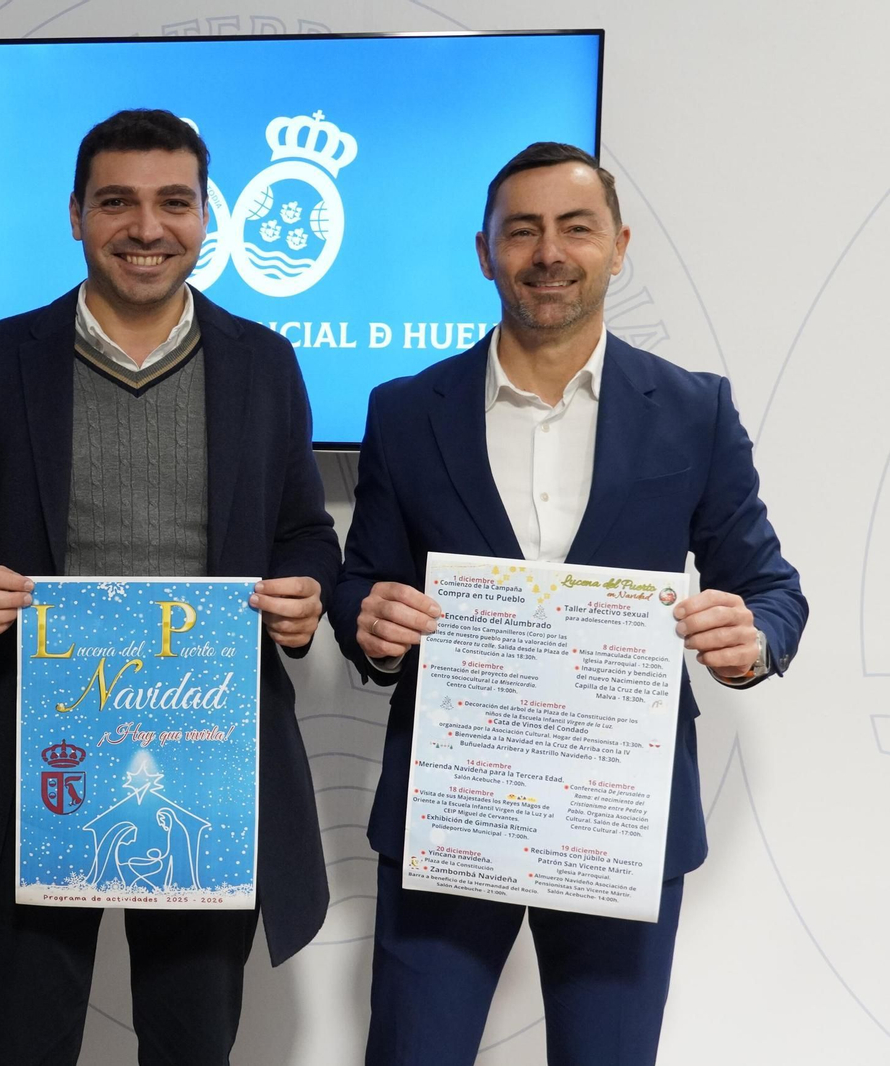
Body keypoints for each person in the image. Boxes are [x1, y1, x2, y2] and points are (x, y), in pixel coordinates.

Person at [329, 143, 808, 1065]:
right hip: (452, 808)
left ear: (618, 247)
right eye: (523, 231)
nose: (549, 252)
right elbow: (362, 582)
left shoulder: (695, 411)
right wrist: (372, 625)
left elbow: (771, 590)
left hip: (618, 814)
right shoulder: (405, 411)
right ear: (486, 253)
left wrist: (753, 641)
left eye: (575, 227)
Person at [0, 109, 341, 1065]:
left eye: (174, 203)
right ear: (75, 215)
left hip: (205, 759)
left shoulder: (264, 363)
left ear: (206, 217)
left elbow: (305, 533)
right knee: (21, 1042)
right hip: (33, 761)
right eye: (117, 203)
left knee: (192, 1042)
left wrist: (307, 589)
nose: (147, 228)